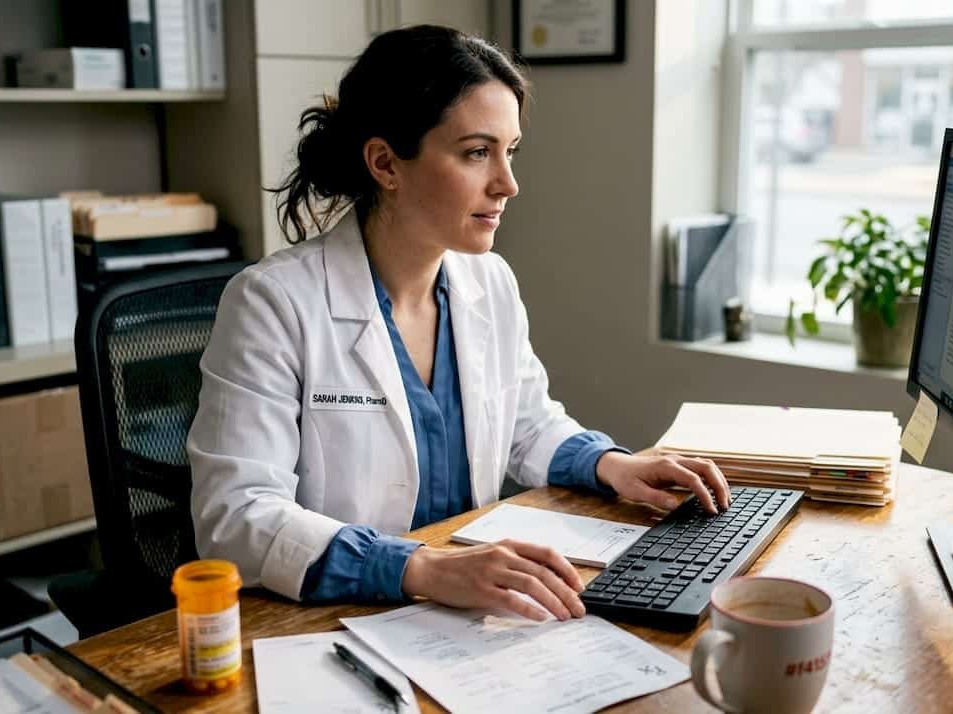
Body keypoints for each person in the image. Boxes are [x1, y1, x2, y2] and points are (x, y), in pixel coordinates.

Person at [187, 25, 730, 623]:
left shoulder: (489, 282)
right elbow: (236, 516)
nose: (508, 183)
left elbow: (525, 424)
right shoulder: (273, 303)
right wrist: (421, 567)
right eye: (477, 152)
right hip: (335, 620)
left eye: (510, 150)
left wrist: (612, 464)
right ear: (386, 163)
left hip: (469, 615)